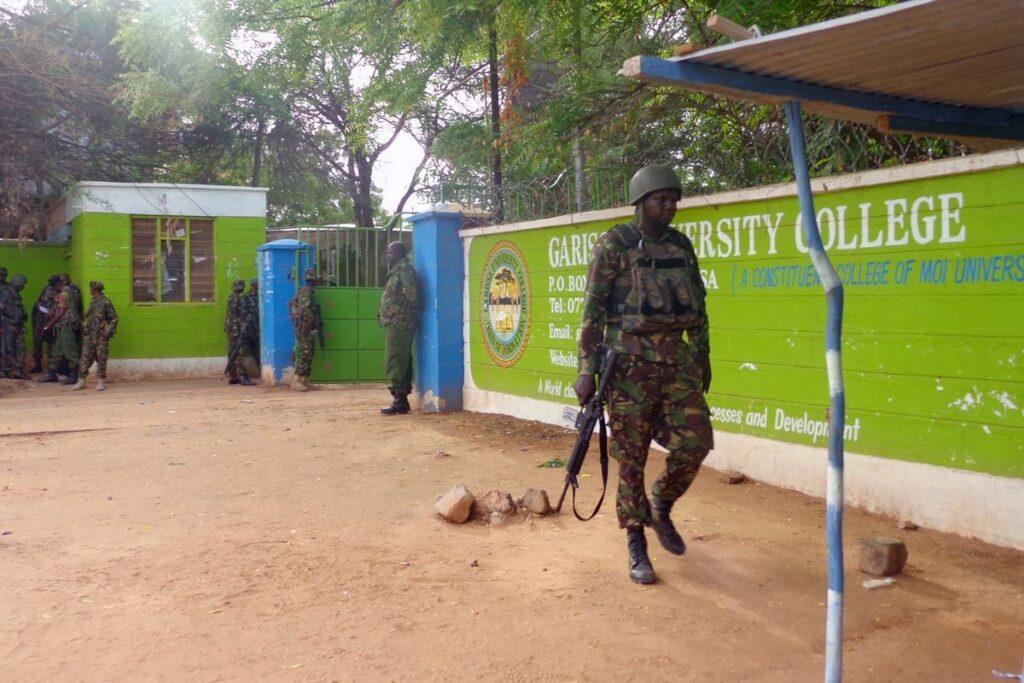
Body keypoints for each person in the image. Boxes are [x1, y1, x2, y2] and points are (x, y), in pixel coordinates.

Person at [574, 164, 713, 585]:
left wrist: (703, 354)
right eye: (660, 199)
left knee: (696, 443)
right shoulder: (614, 245)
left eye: (673, 199)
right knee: (630, 459)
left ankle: (662, 503)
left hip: (677, 362)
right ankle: (636, 540)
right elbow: (592, 313)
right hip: (629, 367)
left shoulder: (681, 246)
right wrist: (587, 370)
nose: (669, 206)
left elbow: (699, 306)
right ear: (641, 202)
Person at [377, 241, 419, 415]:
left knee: (395, 359)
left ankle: (399, 399)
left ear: (400, 253)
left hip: (400, 322)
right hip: (395, 321)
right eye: (387, 253)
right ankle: (401, 398)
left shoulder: (404, 270)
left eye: (391, 253)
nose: (388, 256)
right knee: (399, 359)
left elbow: (413, 296)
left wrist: (399, 311)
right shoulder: (397, 270)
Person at [71, 281, 118, 391]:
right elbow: (89, 316)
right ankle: (81, 381)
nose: (90, 290)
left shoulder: (105, 302)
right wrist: (85, 325)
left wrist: (107, 332)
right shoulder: (93, 301)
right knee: (85, 358)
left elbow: (114, 318)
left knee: (101, 358)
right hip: (90, 335)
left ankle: (101, 380)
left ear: (95, 289)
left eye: (91, 288)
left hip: (100, 336)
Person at [41, 281, 80, 384]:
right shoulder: (72, 292)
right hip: (65, 325)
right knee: (57, 350)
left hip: (66, 325)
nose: (54, 291)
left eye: (55, 288)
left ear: (58, 285)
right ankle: (52, 374)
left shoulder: (63, 294)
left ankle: (74, 376)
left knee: (70, 351)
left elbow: (61, 313)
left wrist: (49, 325)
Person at [289, 267, 318, 392]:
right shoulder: (306, 291)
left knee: (309, 352)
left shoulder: (305, 291)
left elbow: (292, 304)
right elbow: (305, 310)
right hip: (305, 327)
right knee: (304, 353)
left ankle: (304, 380)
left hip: (305, 327)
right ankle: (296, 381)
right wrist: (312, 321)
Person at [224, 279, 254, 385]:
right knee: (239, 352)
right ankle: (242, 376)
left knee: (233, 352)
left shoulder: (231, 297)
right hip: (237, 329)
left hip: (231, 329)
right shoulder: (238, 299)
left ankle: (233, 376)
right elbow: (241, 314)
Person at [0, 273, 29, 379]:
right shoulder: (6, 293)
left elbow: (17, 308)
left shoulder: (15, 294)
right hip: (8, 324)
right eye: (23, 285)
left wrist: (23, 315)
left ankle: (18, 370)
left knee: (20, 348)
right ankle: (5, 371)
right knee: (8, 349)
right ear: (18, 284)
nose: (23, 287)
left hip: (17, 324)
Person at [30, 275, 60, 374]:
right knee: (37, 343)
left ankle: (52, 368)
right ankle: (38, 364)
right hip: (40, 320)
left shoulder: (58, 293)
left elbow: (55, 309)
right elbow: (39, 302)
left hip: (49, 322)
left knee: (50, 344)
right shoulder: (46, 289)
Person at [243, 277, 261, 370]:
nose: (259, 286)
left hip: (259, 327)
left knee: (259, 350)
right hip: (250, 328)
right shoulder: (247, 296)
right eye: (257, 284)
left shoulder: (261, 296)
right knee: (253, 350)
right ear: (253, 285)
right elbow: (243, 312)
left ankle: (262, 370)